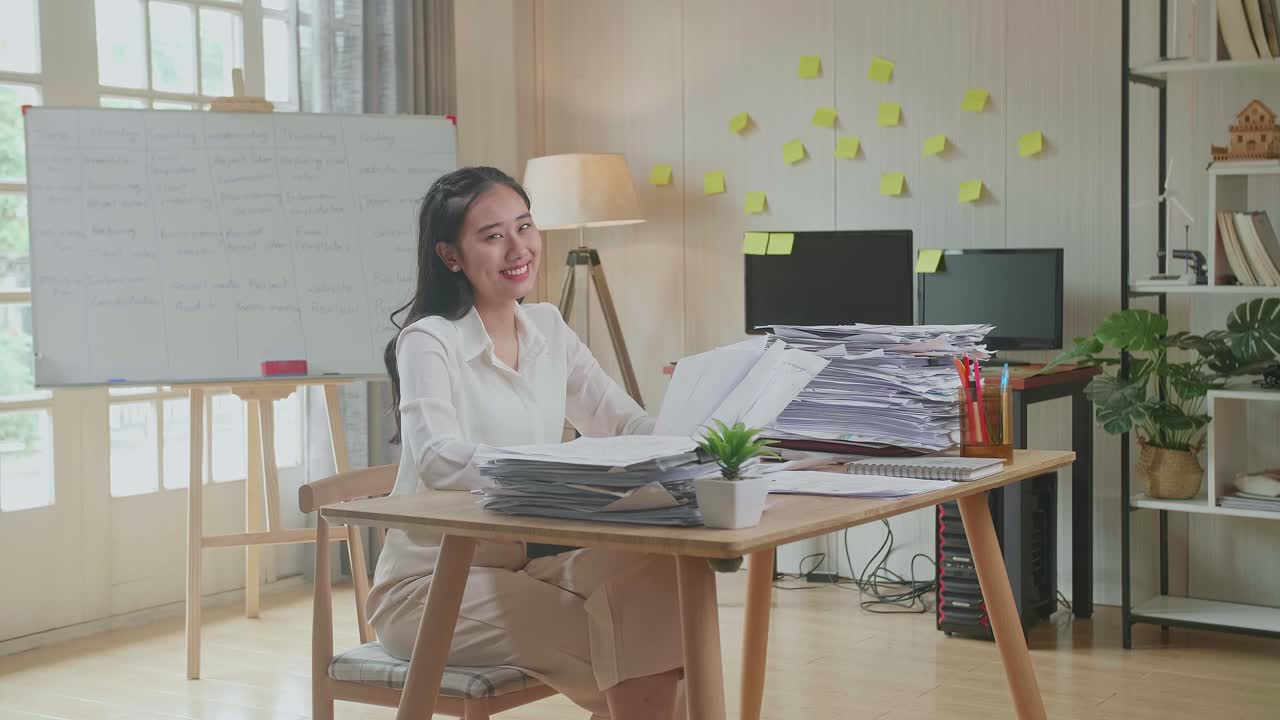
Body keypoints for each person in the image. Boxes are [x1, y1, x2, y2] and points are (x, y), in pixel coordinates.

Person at [367, 166, 684, 720]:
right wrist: (557, 465)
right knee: (630, 651)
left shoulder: (548, 328)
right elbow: (437, 457)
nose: (519, 249)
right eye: (493, 236)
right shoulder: (428, 341)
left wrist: (707, 427)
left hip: (521, 567)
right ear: (450, 256)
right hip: (430, 587)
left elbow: (624, 424)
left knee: (653, 586)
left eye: (525, 226)